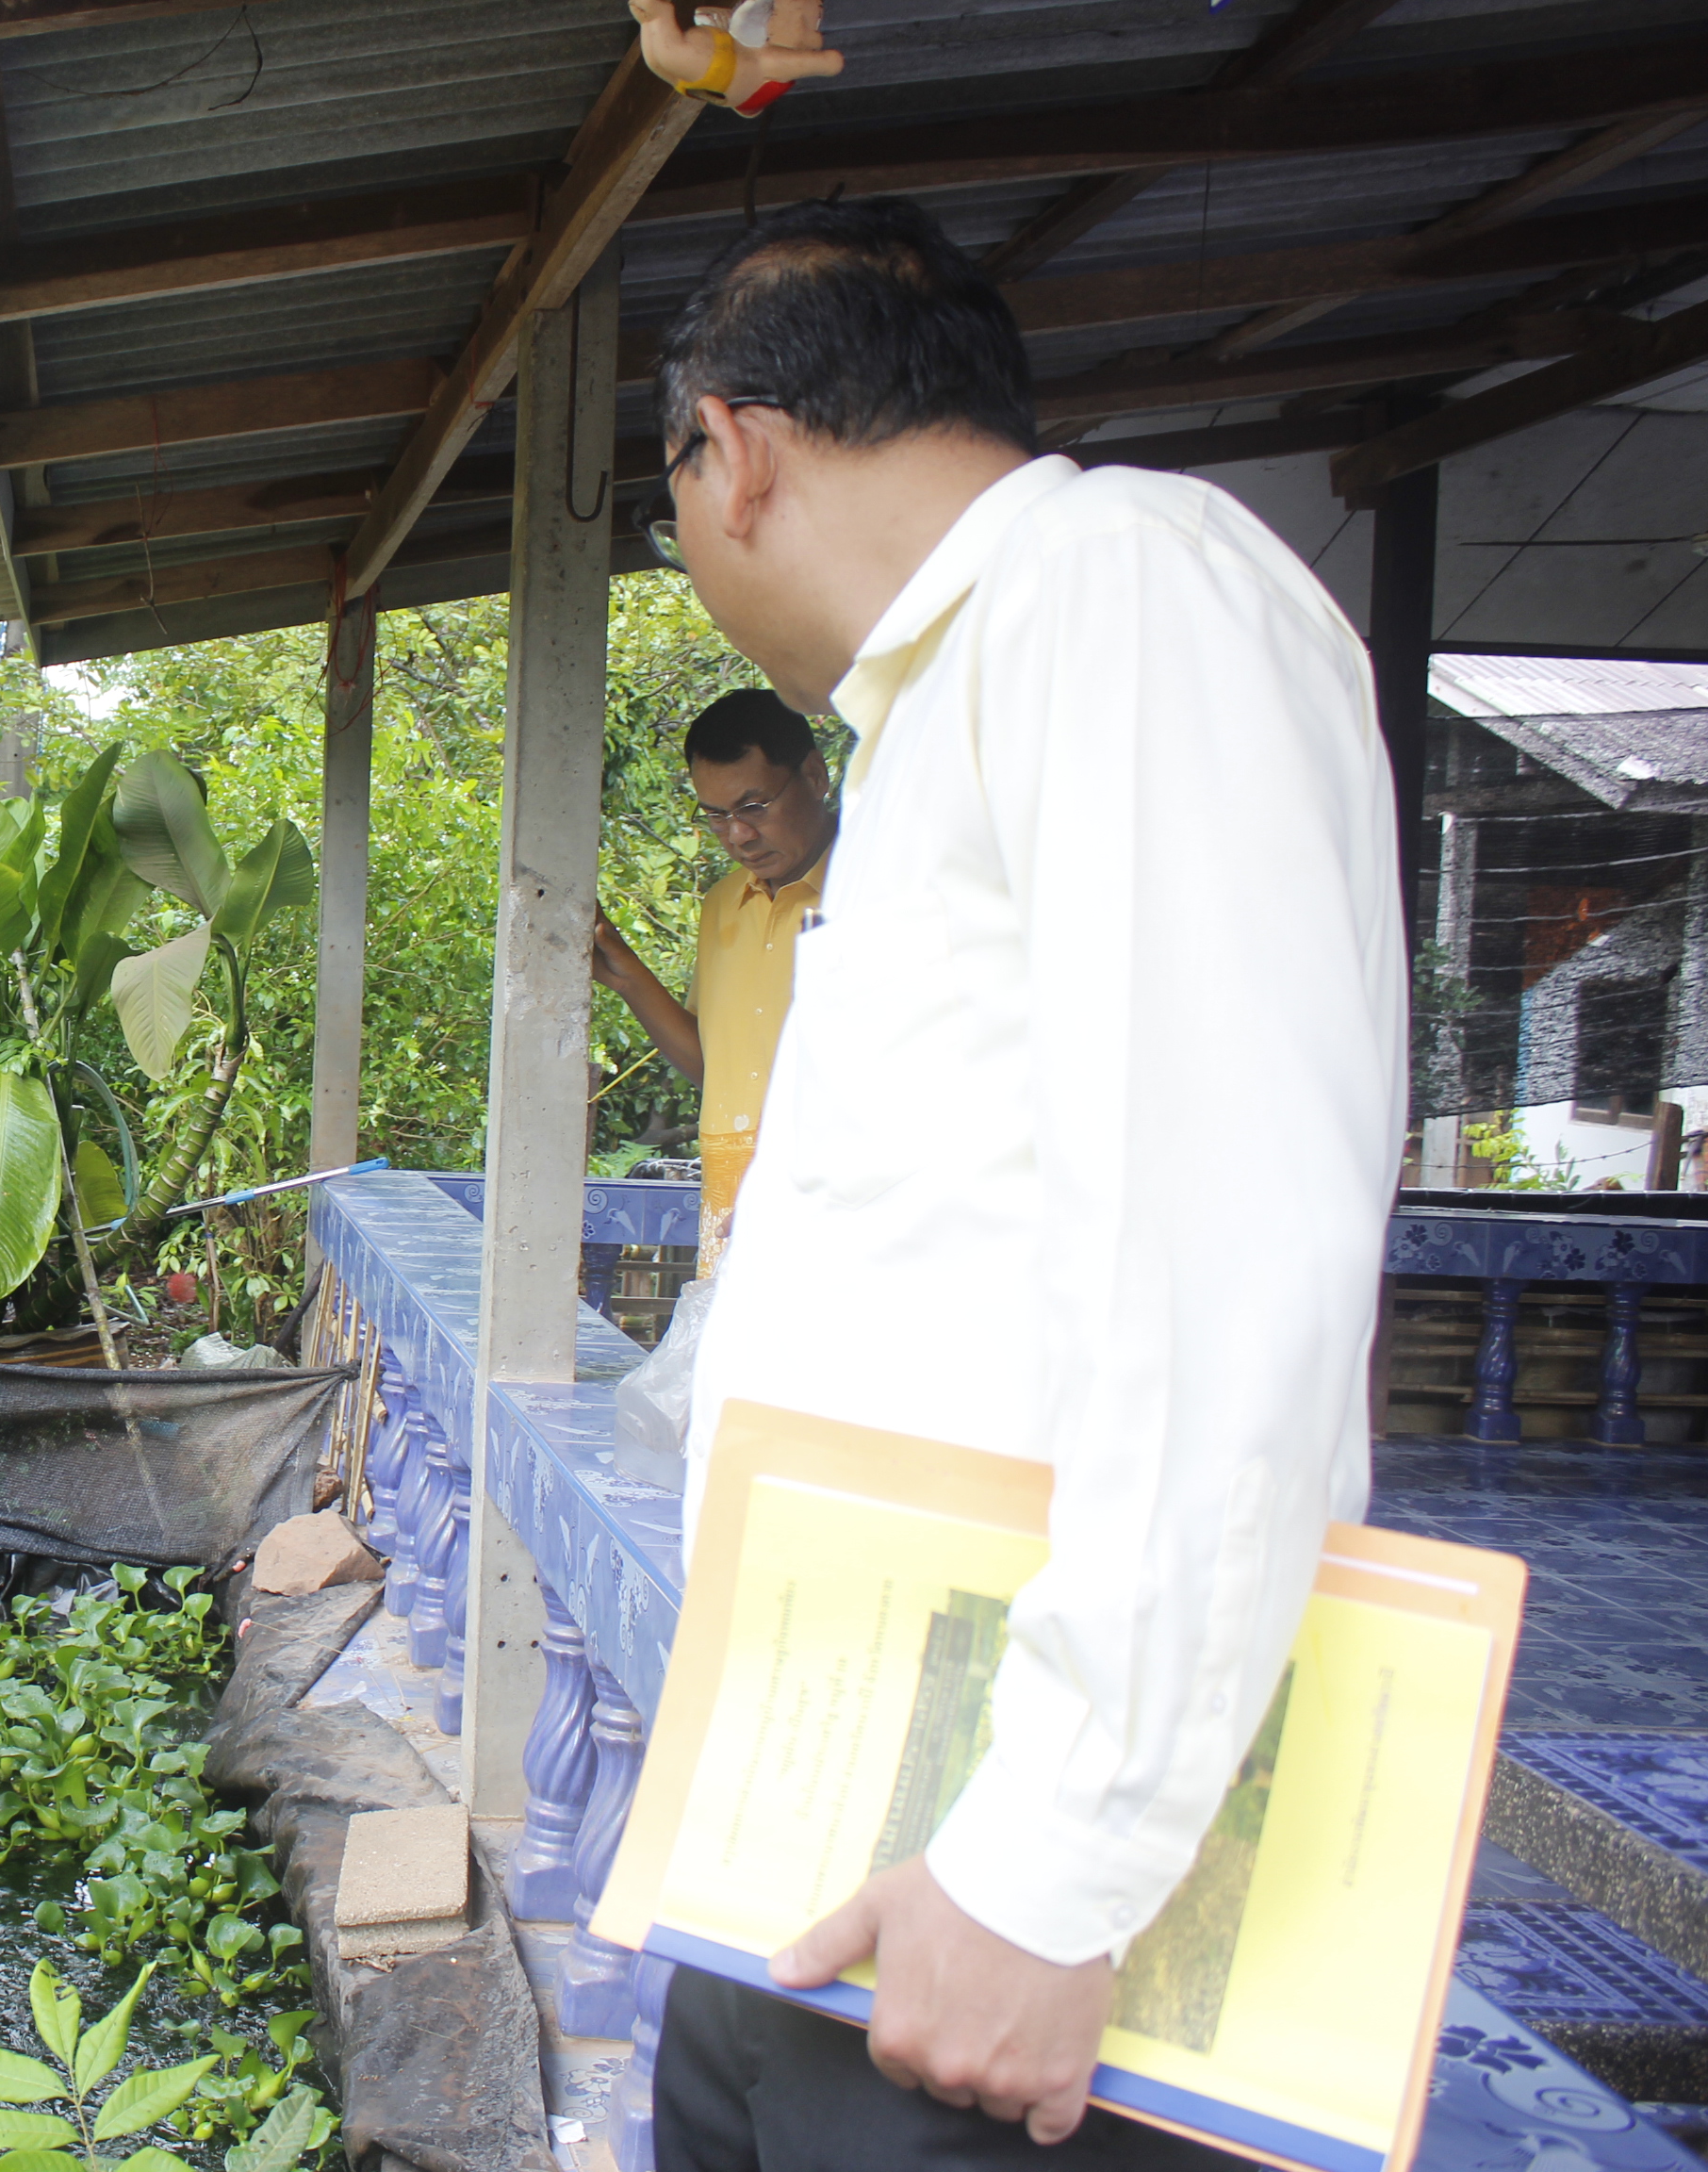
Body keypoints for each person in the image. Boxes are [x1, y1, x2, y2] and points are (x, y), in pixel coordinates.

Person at [642, 199, 1404, 2168]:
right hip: (846, 1850)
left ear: (732, 454)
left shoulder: (1121, 592)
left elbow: (1227, 1259)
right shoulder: (949, 707)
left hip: (1003, 1901)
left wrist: (1059, 1862)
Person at [592, 688, 836, 1253]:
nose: (738, 835)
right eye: (716, 815)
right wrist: (625, 972)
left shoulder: (883, 889)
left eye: (754, 807)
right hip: (731, 1197)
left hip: (840, 1203)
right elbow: (715, 1069)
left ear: (815, 776)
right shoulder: (724, 903)